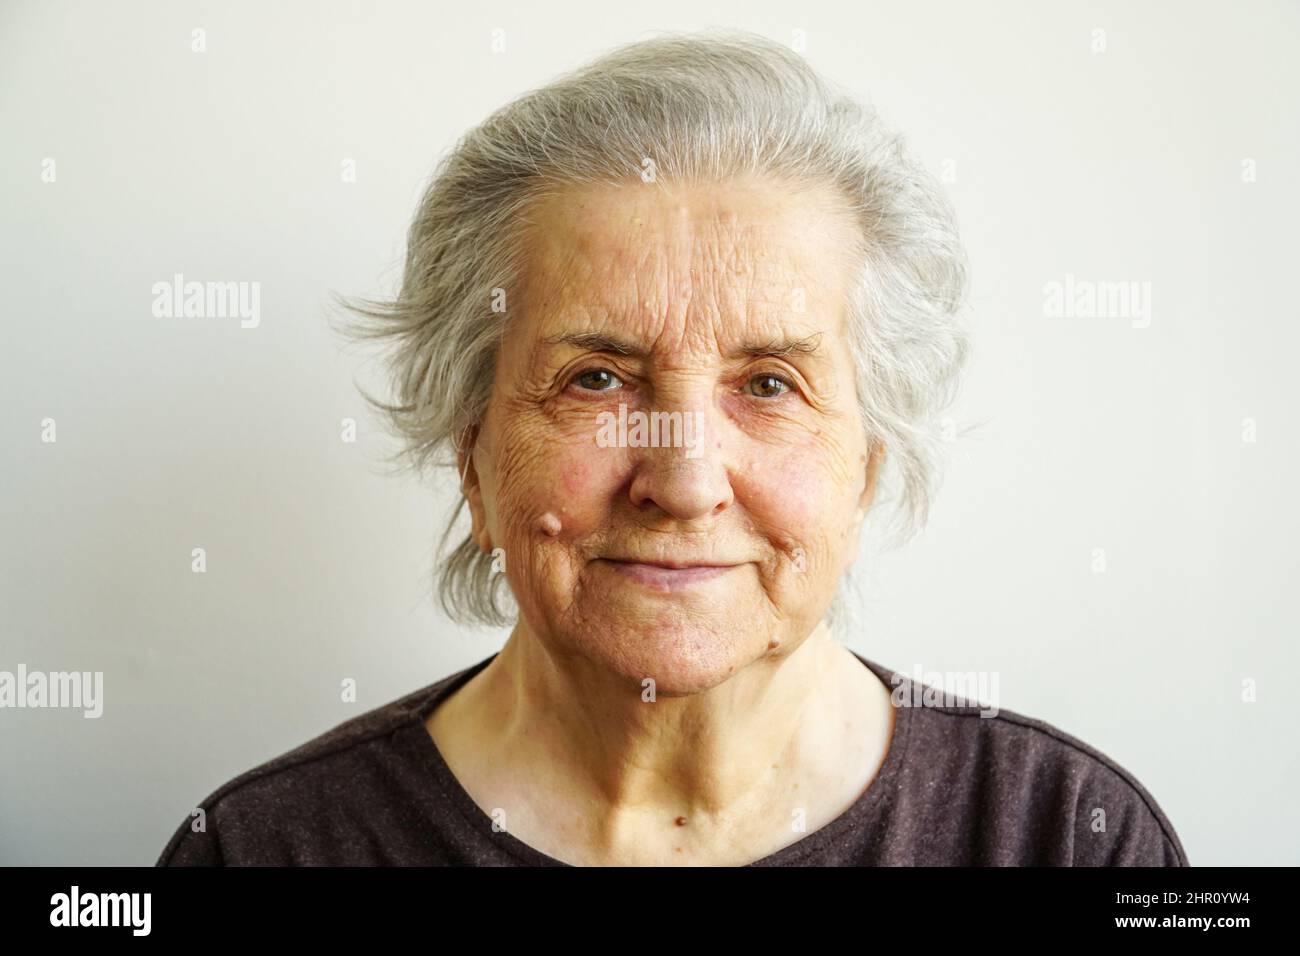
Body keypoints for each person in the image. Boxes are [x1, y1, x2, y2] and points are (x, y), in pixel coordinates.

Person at [158, 29, 1186, 867]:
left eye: (770, 385)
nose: (685, 481)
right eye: (595, 379)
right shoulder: (266, 851)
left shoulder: (1063, 839)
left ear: (866, 463)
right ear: (472, 457)